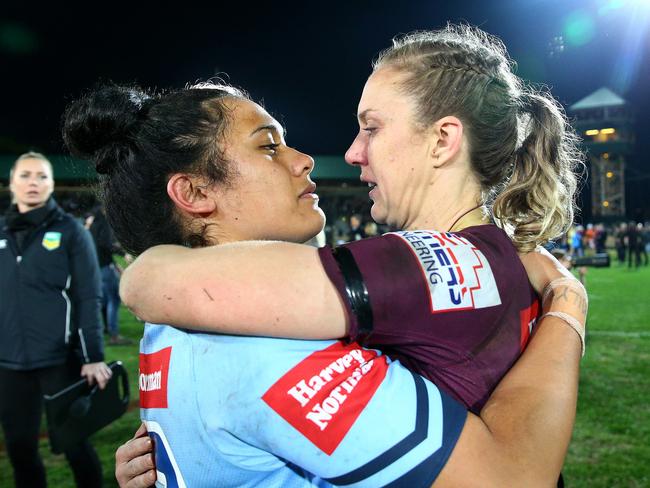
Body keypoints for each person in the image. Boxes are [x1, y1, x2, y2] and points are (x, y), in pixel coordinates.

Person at [63, 76, 585, 486]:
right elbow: (509, 478)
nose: (303, 159)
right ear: (196, 192)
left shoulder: (190, 316)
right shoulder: (266, 348)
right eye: (268, 147)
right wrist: (567, 305)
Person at [119, 25, 582, 414]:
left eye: (373, 128)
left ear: (442, 140)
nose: (353, 153)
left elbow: (155, 284)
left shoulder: (420, 267)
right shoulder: (488, 254)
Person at [0, 152, 111, 488]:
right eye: (25, 175)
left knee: (75, 445)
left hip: (59, 359)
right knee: (20, 449)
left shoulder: (71, 231)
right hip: (8, 363)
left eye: (41, 176)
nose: (33, 182)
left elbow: (87, 295)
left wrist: (93, 357)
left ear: (50, 185)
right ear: (11, 183)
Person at [86, 205, 132, 345]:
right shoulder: (104, 223)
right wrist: (123, 253)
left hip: (96, 267)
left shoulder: (93, 224)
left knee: (104, 300)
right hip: (104, 267)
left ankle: (106, 329)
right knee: (113, 299)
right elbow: (106, 244)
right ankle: (114, 335)